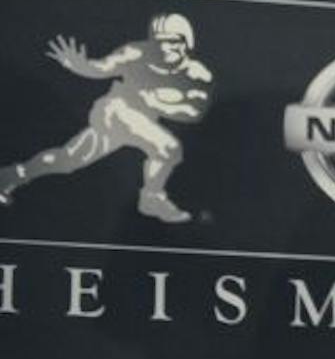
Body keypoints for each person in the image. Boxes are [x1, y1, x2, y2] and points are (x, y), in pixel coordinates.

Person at [0, 13, 211, 222]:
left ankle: (14, 174)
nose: (165, 48)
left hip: (138, 122)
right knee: (168, 147)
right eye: (160, 42)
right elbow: (102, 67)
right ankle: (151, 199)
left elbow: (193, 113)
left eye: (172, 42)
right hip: (116, 112)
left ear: (186, 42)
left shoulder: (196, 75)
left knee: (66, 159)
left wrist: (159, 104)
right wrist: (82, 66)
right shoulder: (135, 53)